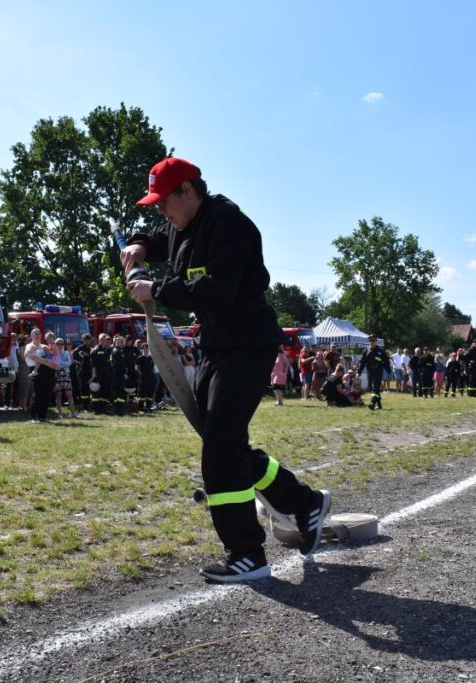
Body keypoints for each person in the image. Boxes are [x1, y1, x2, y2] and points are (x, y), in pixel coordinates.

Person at [122, 156, 331, 583]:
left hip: (247, 341)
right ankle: (302, 502)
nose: (162, 210)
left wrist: (156, 288)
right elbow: (161, 239)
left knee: (220, 446)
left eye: (165, 201)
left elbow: (218, 290)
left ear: (188, 191)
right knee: (225, 442)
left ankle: (246, 554)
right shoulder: (185, 225)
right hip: (216, 344)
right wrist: (139, 246)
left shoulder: (229, 225)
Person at [24, 327, 57, 423]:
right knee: (38, 394)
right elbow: (34, 357)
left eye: (38, 333)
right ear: (31, 335)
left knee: (47, 394)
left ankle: (43, 416)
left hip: (49, 371)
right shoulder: (29, 346)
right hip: (38, 372)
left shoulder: (43, 346)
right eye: (35, 333)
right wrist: (50, 364)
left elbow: (53, 355)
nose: (37, 335)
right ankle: (33, 416)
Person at [358, 335, 390, 409]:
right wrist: (358, 371)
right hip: (370, 372)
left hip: (378, 372)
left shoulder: (380, 351)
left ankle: (373, 403)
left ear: (376, 341)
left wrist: (386, 368)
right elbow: (363, 362)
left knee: (375, 387)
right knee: (374, 389)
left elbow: (386, 361)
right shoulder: (366, 350)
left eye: (373, 340)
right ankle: (379, 404)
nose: (372, 342)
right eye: (370, 340)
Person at [52, 337, 77, 418]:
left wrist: (60, 363)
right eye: (58, 344)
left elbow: (69, 363)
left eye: (61, 344)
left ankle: (72, 413)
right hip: (57, 375)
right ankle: (60, 414)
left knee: (69, 394)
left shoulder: (66, 353)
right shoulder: (53, 353)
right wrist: (62, 364)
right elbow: (55, 364)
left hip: (66, 374)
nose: (60, 345)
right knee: (58, 395)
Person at [89, 333, 112, 414]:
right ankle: (96, 410)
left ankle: (103, 409)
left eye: (105, 340)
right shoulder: (95, 350)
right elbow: (93, 365)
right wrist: (94, 376)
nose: (103, 341)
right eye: (102, 340)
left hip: (106, 374)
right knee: (96, 393)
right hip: (98, 374)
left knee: (104, 392)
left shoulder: (107, 350)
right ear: (99, 340)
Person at [73, 333, 94, 412]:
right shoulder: (79, 349)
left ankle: (90, 405)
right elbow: (74, 357)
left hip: (90, 371)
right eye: (86, 340)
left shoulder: (92, 349)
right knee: (84, 389)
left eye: (88, 340)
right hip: (82, 371)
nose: (87, 341)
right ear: (83, 340)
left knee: (91, 388)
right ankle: (85, 406)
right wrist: (79, 362)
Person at [135, 341, 156, 412]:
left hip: (150, 377)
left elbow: (153, 367)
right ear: (142, 349)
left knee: (150, 392)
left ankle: (148, 407)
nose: (146, 350)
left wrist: (152, 374)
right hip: (143, 378)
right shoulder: (140, 358)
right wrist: (141, 374)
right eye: (144, 348)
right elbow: (137, 368)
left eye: (147, 348)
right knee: (142, 392)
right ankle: (141, 408)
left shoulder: (151, 358)